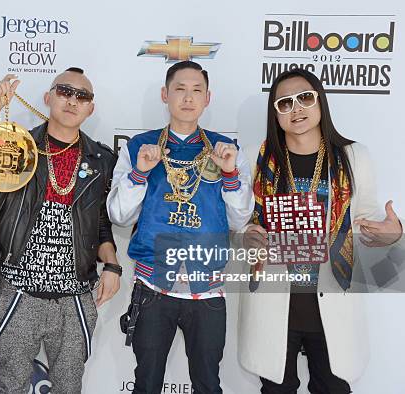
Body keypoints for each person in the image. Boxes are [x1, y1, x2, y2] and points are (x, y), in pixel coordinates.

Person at [238, 68, 404, 393]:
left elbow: (367, 219)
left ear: (320, 102)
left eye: (304, 97)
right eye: (284, 103)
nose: (296, 108)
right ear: (275, 113)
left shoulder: (354, 157)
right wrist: (246, 235)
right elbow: (240, 221)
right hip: (275, 305)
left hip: (332, 304)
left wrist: (393, 233)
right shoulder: (256, 159)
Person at [0, 67, 121, 394]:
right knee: (11, 383)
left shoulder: (102, 160)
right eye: (64, 91)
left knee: (69, 385)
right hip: (20, 289)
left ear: (91, 108)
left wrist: (113, 265)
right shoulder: (17, 145)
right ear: (48, 98)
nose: (72, 100)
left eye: (82, 96)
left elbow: (101, 222)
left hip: (76, 293)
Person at [107, 60, 254, 394]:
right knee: (146, 383)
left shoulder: (225, 149)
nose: (188, 98)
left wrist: (230, 174)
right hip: (153, 286)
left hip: (208, 289)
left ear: (208, 98)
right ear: (165, 94)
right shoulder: (140, 146)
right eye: (180, 89)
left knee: (208, 384)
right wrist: (140, 172)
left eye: (196, 90)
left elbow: (240, 219)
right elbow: (119, 215)